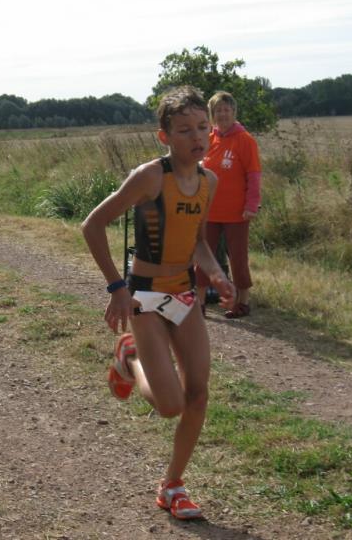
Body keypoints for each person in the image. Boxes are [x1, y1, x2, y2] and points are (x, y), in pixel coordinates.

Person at [82, 86, 235, 520]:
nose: (197, 136)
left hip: (184, 294)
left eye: (202, 127)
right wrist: (117, 288)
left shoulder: (209, 181)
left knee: (198, 394)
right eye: (184, 130)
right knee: (170, 406)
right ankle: (129, 356)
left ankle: (173, 486)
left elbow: (199, 242)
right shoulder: (149, 177)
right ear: (164, 136)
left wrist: (217, 274)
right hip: (145, 295)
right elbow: (92, 225)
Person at [195, 91, 261, 319]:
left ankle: (242, 303)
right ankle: (199, 302)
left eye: (226, 109)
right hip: (209, 211)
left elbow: (254, 175)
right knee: (203, 257)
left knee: (238, 258)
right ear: (212, 115)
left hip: (237, 213)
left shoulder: (245, 140)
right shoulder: (208, 139)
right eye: (218, 110)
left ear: (233, 112)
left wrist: (252, 205)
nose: (222, 114)